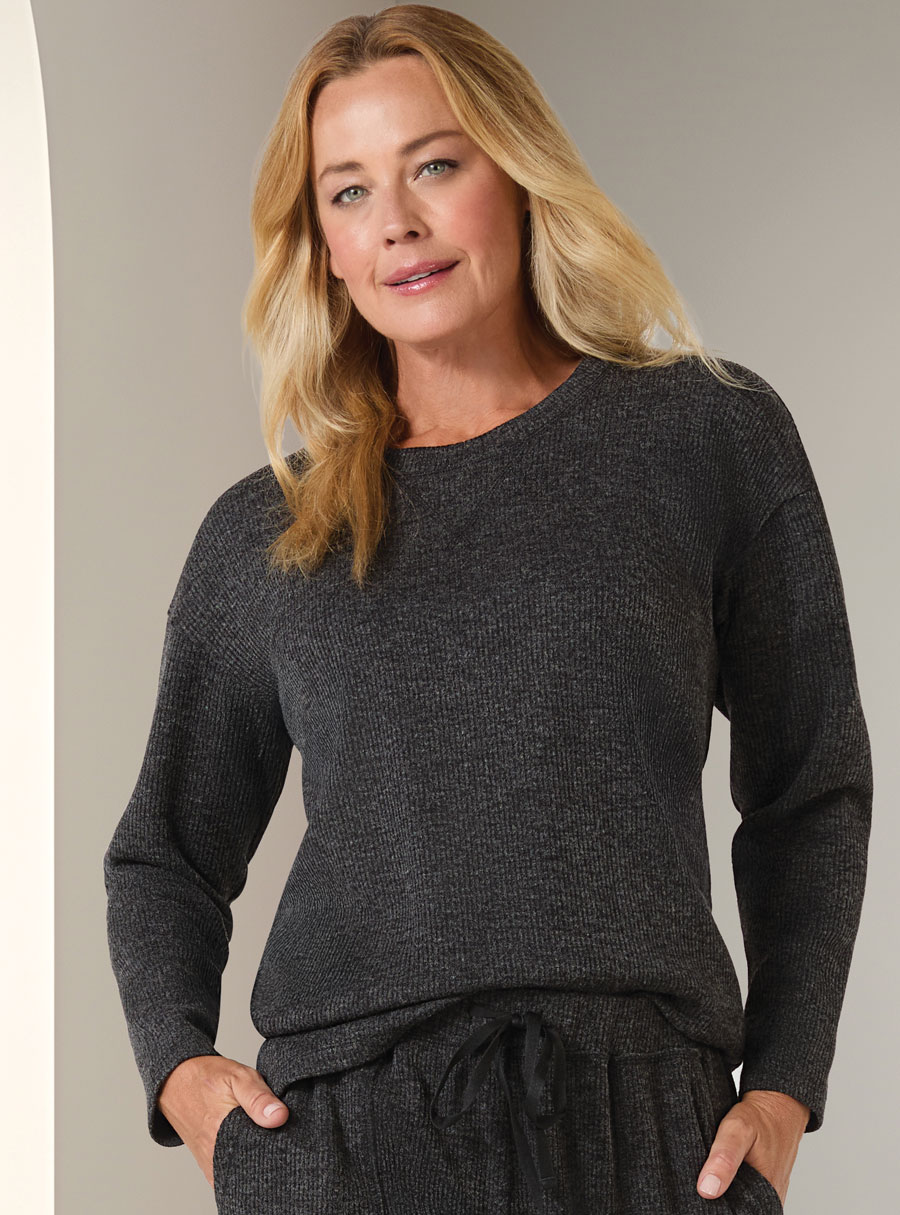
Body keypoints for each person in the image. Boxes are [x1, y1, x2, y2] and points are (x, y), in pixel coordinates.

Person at [103, 6, 873, 1213]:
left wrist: (784, 1084)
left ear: (516, 173)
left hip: (644, 1132)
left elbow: (809, 788)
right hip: (349, 1146)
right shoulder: (269, 533)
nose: (396, 222)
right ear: (324, 247)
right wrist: (186, 1077)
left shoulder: (704, 436)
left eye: (434, 166)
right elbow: (164, 856)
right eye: (349, 192)